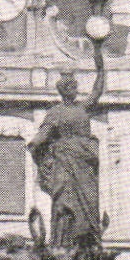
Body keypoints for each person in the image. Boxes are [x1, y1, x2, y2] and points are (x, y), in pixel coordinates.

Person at [28, 70, 104, 249]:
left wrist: (100, 67)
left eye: (76, 87)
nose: (75, 90)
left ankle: (88, 242)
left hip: (85, 163)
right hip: (65, 162)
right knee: (63, 201)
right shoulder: (55, 112)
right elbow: (44, 133)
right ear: (63, 90)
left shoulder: (82, 107)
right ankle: (62, 242)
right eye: (71, 87)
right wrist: (35, 145)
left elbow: (97, 91)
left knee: (89, 202)